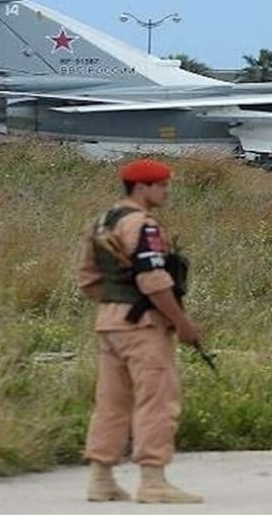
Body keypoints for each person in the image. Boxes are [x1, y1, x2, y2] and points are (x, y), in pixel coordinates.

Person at [76, 158, 203, 504]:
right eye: (161, 185)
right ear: (141, 187)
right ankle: (153, 480)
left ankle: (101, 478)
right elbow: (153, 280)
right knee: (156, 400)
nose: (166, 191)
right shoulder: (143, 226)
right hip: (144, 326)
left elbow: (88, 279)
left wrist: (116, 305)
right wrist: (181, 322)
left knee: (111, 402)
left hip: (109, 322)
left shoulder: (102, 221)